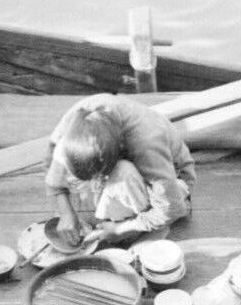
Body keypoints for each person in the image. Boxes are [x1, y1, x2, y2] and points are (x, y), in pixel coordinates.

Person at [44, 94, 196, 247]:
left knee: (123, 173)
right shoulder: (76, 120)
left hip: (171, 181)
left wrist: (121, 229)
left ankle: (134, 221)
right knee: (85, 187)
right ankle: (117, 205)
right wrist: (65, 212)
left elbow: (172, 208)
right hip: (113, 163)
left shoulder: (146, 146)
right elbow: (52, 164)